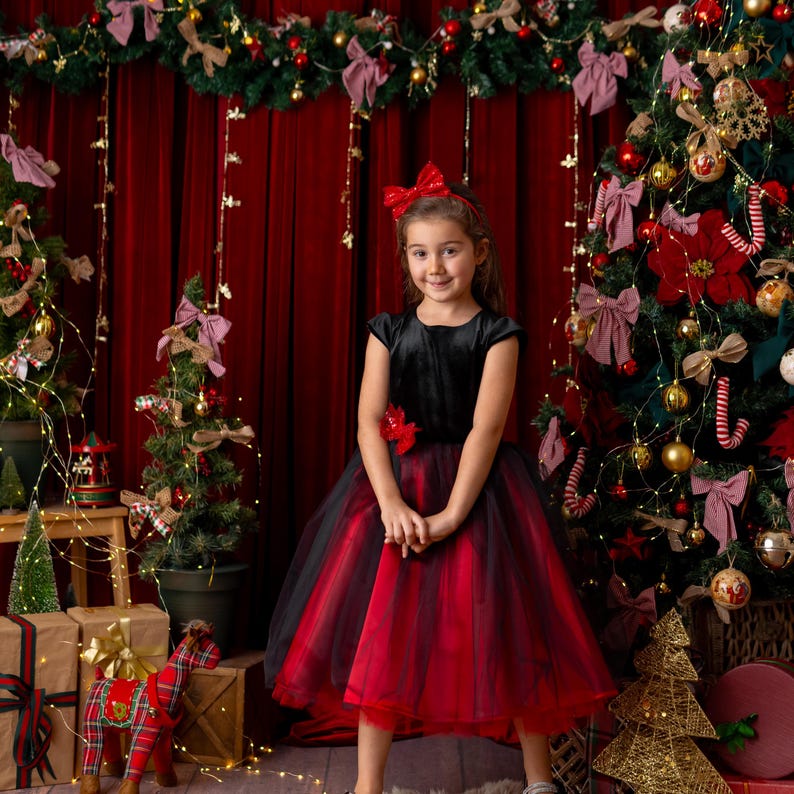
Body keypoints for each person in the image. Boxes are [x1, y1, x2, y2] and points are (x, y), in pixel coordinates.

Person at [264, 163, 615, 794]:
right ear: (405, 259)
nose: (435, 267)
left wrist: (453, 514)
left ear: (477, 254)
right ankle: (368, 786)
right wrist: (391, 502)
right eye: (421, 253)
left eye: (449, 251)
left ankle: (538, 782)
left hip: (482, 497)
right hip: (395, 496)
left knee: (510, 629)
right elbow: (370, 423)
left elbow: (486, 431)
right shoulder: (388, 332)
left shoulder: (497, 335)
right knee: (383, 636)